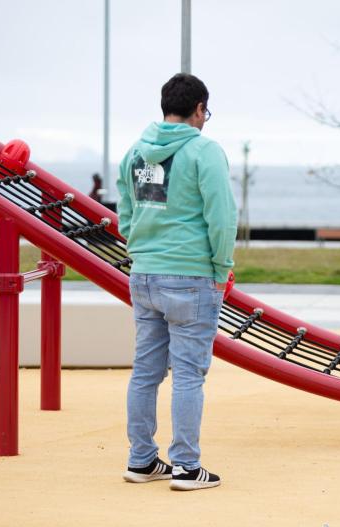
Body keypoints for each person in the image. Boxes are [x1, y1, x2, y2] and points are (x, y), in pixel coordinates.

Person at [116, 73, 237, 491]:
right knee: (188, 374)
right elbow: (221, 217)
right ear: (200, 108)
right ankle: (186, 466)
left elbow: (126, 215)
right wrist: (221, 268)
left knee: (146, 372)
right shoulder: (204, 151)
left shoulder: (135, 152)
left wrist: (141, 251)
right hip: (191, 276)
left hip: (144, 273)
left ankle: (142, 459)